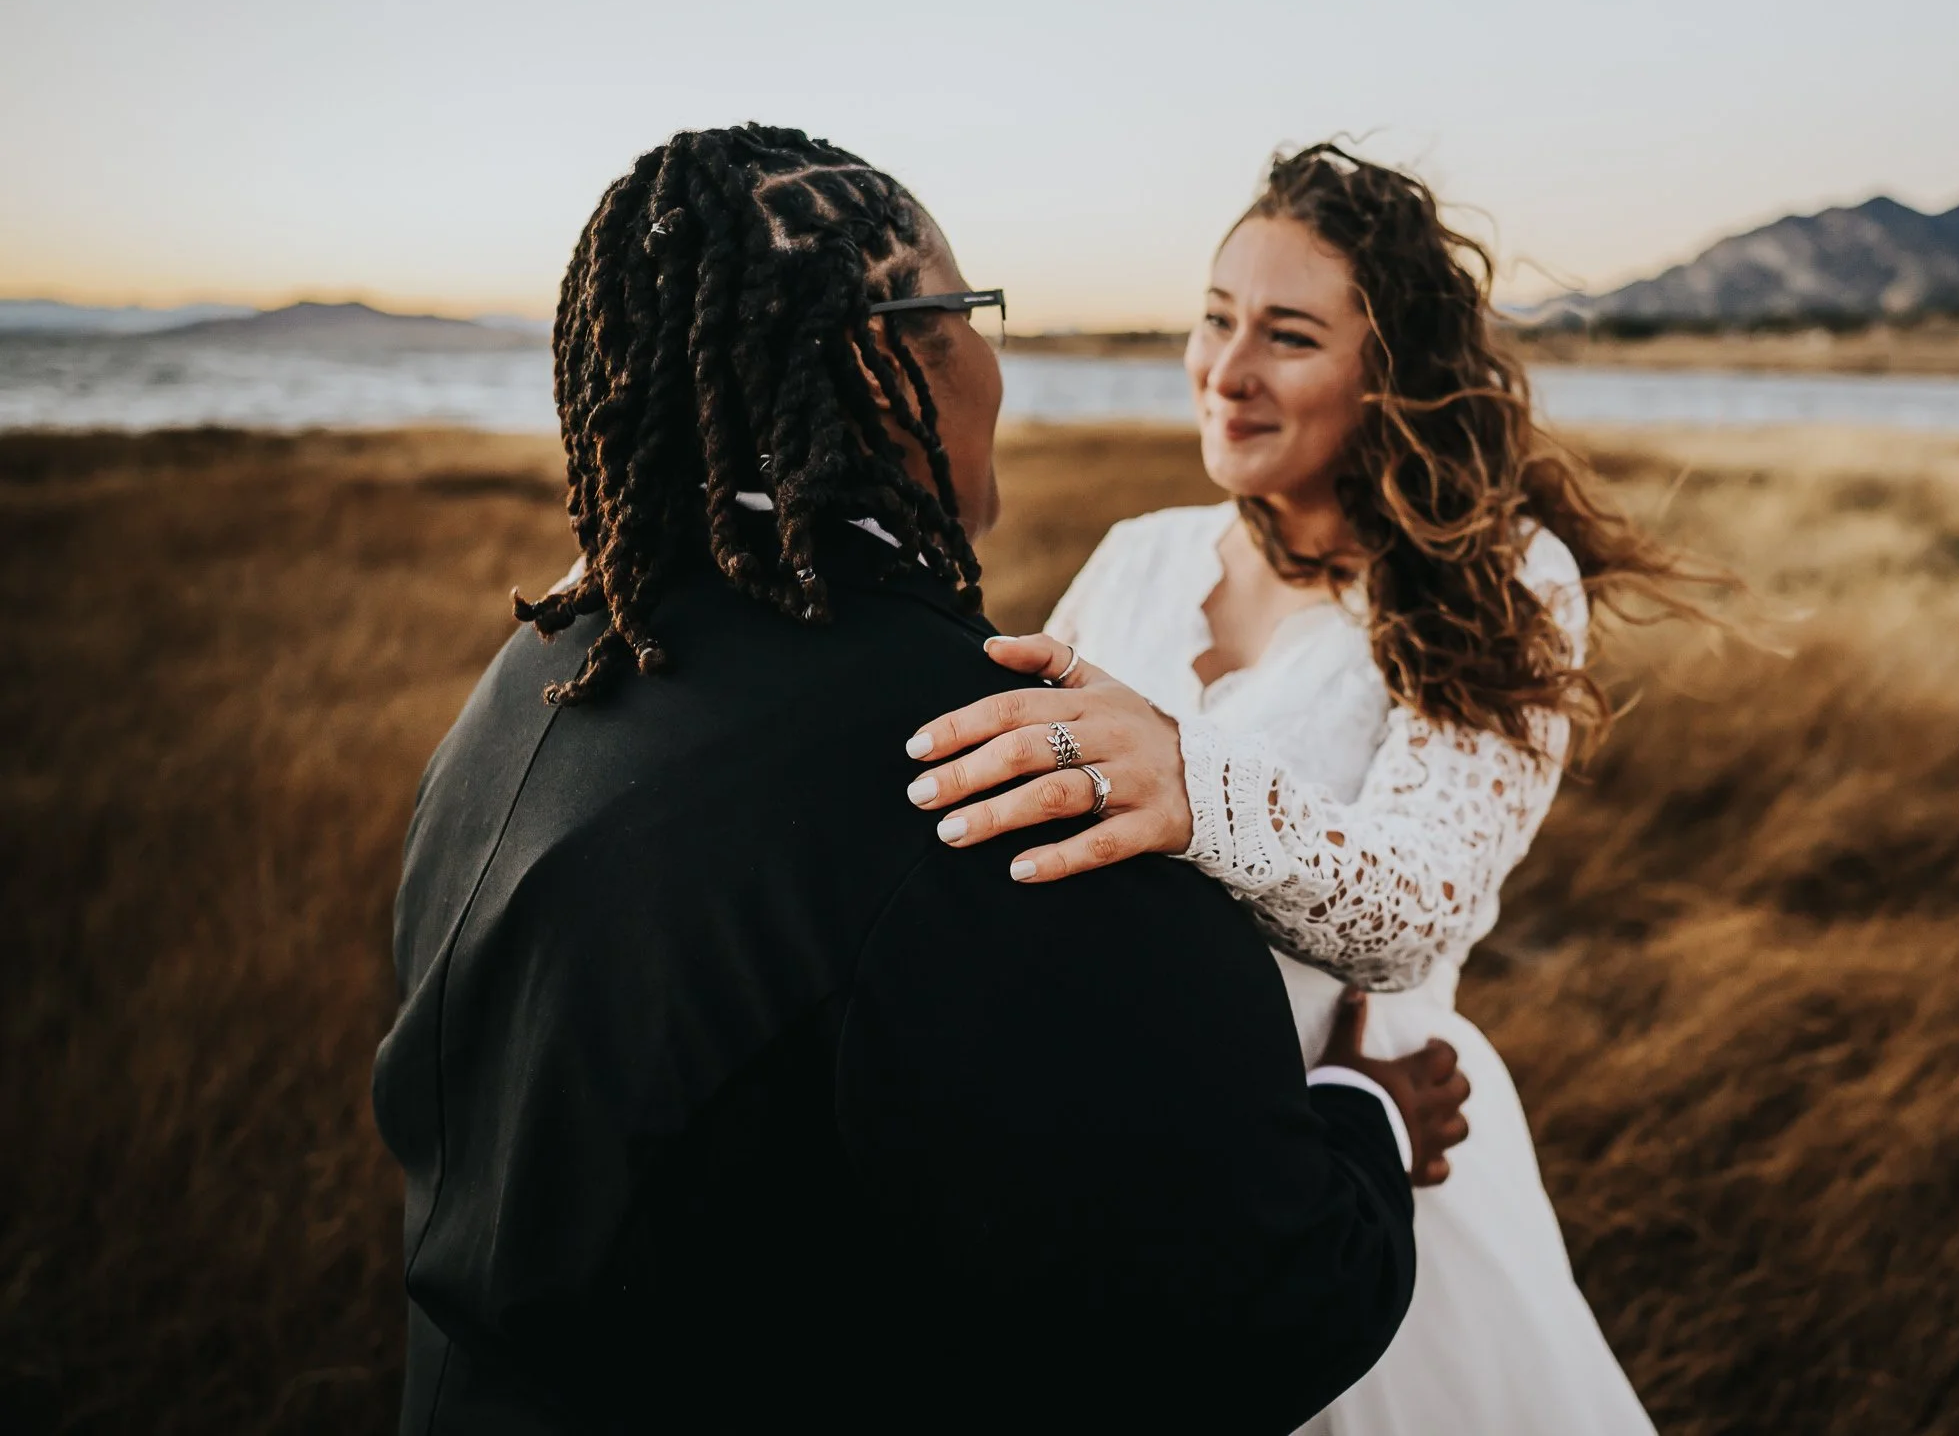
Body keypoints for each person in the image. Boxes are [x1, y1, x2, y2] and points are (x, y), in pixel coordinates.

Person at [371, 125, 1471, 1435]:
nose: (998, 361)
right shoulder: (991, 775)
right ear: (890, 356)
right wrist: (1364, 1111)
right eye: (973, 313)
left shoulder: (542, 671)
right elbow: (1271, 1302)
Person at [903, 143, 1727, 1433]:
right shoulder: (1138, 557)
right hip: (1147, 1169)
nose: (1225, 374)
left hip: (1380, 1167)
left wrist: (1190, 781)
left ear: (1388, 373)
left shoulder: (1502, 581)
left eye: (1286, 337)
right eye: (1216, 319)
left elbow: (1420, 908)